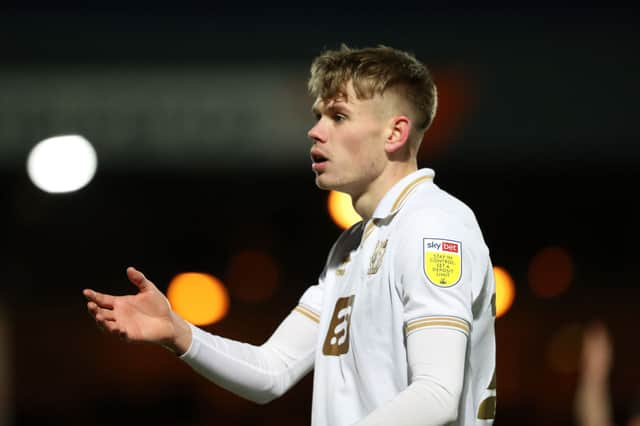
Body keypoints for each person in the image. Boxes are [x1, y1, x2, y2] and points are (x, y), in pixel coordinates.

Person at [84, 44, 497, 425]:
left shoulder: (433, 225)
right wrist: (179, 332)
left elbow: (437, 393)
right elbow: (273, 370)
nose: (315, 131)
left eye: (338, 116)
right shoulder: (351, 247)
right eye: (318, 116)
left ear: (395, 133)